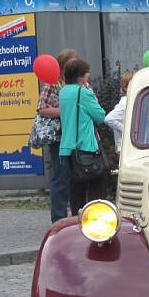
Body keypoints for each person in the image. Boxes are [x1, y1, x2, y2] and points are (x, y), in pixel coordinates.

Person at [58, 59, 108, 214]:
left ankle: (76, 221)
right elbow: (100, 116)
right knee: (98, 184)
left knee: (76, 190)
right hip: (86, 146)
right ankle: (94, 220)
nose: (89, 75)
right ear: (81, 76)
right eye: (87, 72)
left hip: (67, 148)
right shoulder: (83, 93)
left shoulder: (63, 92)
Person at [36, 48, 78, 224]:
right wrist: (63, 111)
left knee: (79, 177)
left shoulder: (80, 83)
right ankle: (59, 220)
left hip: (78, 136)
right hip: (59, 138)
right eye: (71, 62)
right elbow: (41, 108)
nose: (74, 65)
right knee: (61, 177)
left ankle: (78, 217)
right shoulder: (53, 83)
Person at [105, 70, 135, 154]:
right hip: (124, 147)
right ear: (125, 87)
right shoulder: (125, 103)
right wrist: (126, 129)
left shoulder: (130, 101)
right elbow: (108, 119)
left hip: (126, 146)